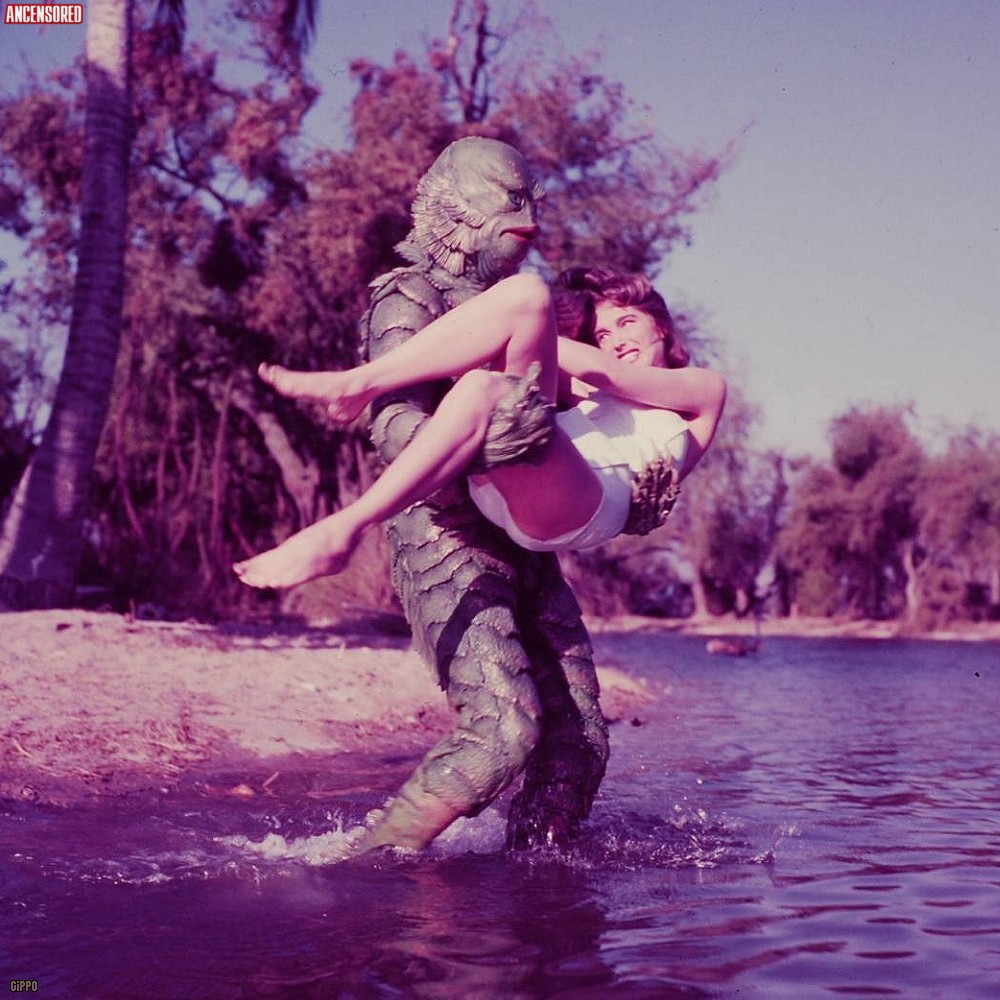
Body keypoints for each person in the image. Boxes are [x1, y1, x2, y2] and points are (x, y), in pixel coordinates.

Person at [233, 268, 726, 590]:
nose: (615, 340)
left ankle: (342, 531)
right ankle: (358, 383)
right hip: (506, 477)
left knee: (491, 387)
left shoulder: (701, 390)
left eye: (627, 323)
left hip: (583, 506)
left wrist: (533, 334)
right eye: (603, 332)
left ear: (660, 326)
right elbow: (523, 348)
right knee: (524, 296)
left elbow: (611, 374)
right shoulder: (582, 388)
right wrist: (514, 319)